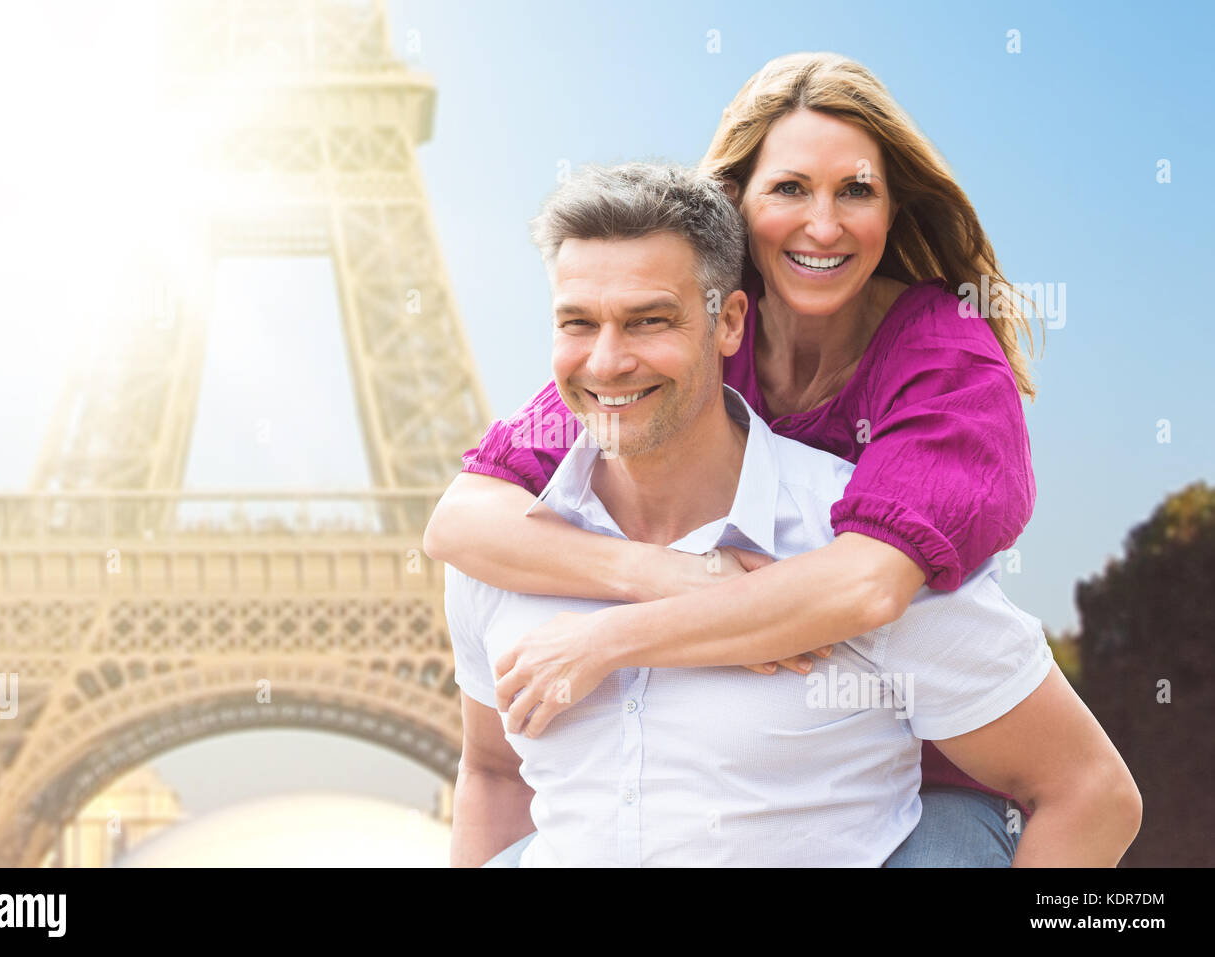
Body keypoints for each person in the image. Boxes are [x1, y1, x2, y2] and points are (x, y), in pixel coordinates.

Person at [425, 52, 1046, 866]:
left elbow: (865, 584)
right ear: (736, 203)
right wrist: (671, 571)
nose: (822, 225)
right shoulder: (660, 343)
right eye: (789, 188)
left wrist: (608, 641)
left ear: (893, 209)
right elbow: (463, 517)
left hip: (937, 769)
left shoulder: (946, 364)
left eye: (854, 190)